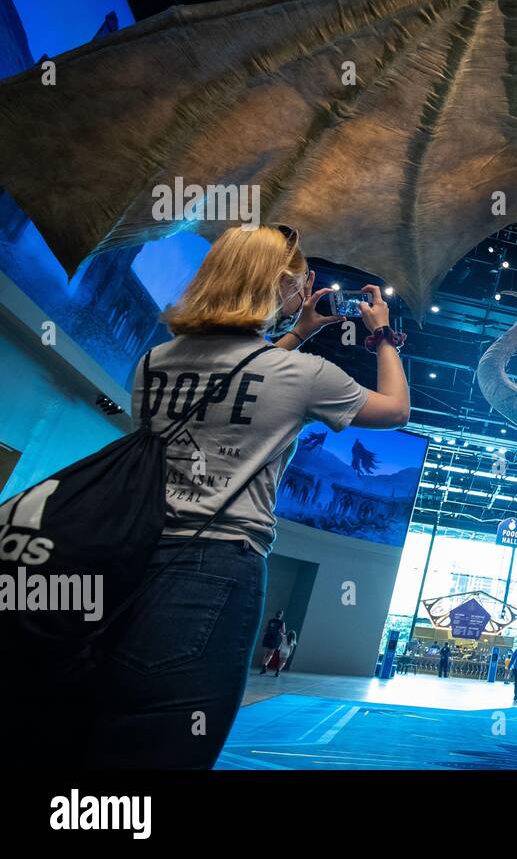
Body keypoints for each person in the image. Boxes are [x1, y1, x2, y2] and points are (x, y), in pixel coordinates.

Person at [50, 224, 411, 769]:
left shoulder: (153, 364)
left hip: (126, 558)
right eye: (303, 281)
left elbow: (239, 380)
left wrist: (297, 330)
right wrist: (382, 334)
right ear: (287, 285)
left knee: (95, 733)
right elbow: (395, 409)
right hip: (215, 567)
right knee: (169, 746)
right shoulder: (304, 375)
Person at [259, 610, 287, 674]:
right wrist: (279, 631)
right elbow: (283, 631)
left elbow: (265, 629)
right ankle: (265, 665)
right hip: (274, 638)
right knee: (270, 654)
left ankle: (263, 666)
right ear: (281, 615)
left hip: (267, 637)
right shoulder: (281, 622)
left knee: (265, 654)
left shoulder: (270, 621)